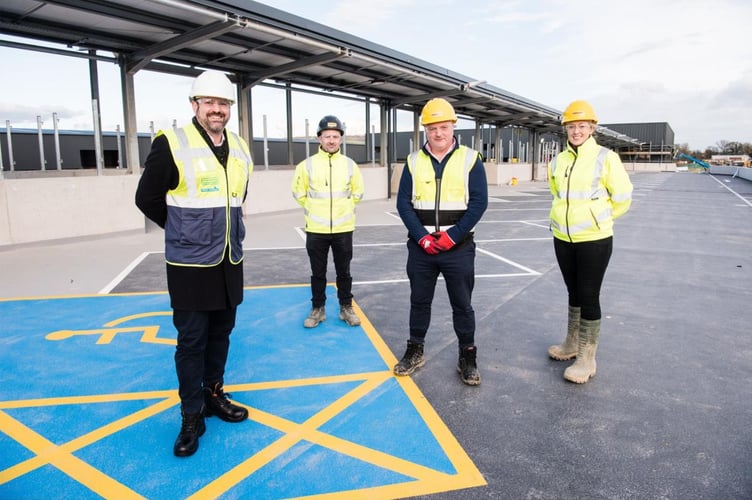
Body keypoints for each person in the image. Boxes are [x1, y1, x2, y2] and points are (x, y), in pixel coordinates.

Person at [135, 70, 253, 456]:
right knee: (191, 341)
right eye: (210, 103)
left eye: (223, 104)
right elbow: (147, 198)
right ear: (194, 106)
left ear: (229, 108)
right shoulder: (172, 142)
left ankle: (213, 393)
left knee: (221, 333)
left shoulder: (238, 146)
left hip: (228, 259)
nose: (217, 110)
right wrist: (182, 229)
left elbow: (237, 196)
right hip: (189, 264)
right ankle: (191, 415)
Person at [394, 98, 488, 386]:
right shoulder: (413, 161)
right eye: (432, 128)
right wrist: (422, 238)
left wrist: (451, 236)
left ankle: (467, 356)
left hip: (457, 249)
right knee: (419, 301)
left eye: (443, 127)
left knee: (462, 304)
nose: (438, 134)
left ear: (453, 127)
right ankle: (415, 350)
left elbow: (479, 203)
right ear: (425, 130)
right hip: (422, 250)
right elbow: (403, 204)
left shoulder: (470, 159)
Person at [546, 100, 633, 384]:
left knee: (589, 294)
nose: (576, 131)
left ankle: (587, 358)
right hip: (563, 237)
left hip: (594, 239)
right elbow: (557, 192)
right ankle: (571, 344)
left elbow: (622, 197)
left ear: (592, 128)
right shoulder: (558, 161)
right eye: (572, 126)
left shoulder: (606, 157)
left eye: (582, 126)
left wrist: (599, 220)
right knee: (573, 292)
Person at [291, 115, 365, 329]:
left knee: (344, 272)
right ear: (319, 139)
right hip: (316, 229)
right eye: (327, 136)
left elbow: (358, 192)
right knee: (318, 272)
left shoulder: (350, 165)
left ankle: (346, 308)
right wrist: (313, 209)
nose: (331, 140)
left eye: (335, 136)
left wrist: (347, 207)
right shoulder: (306, 166)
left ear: (341, 139)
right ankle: (318, 309)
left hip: (344, 229)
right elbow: (298, 192)